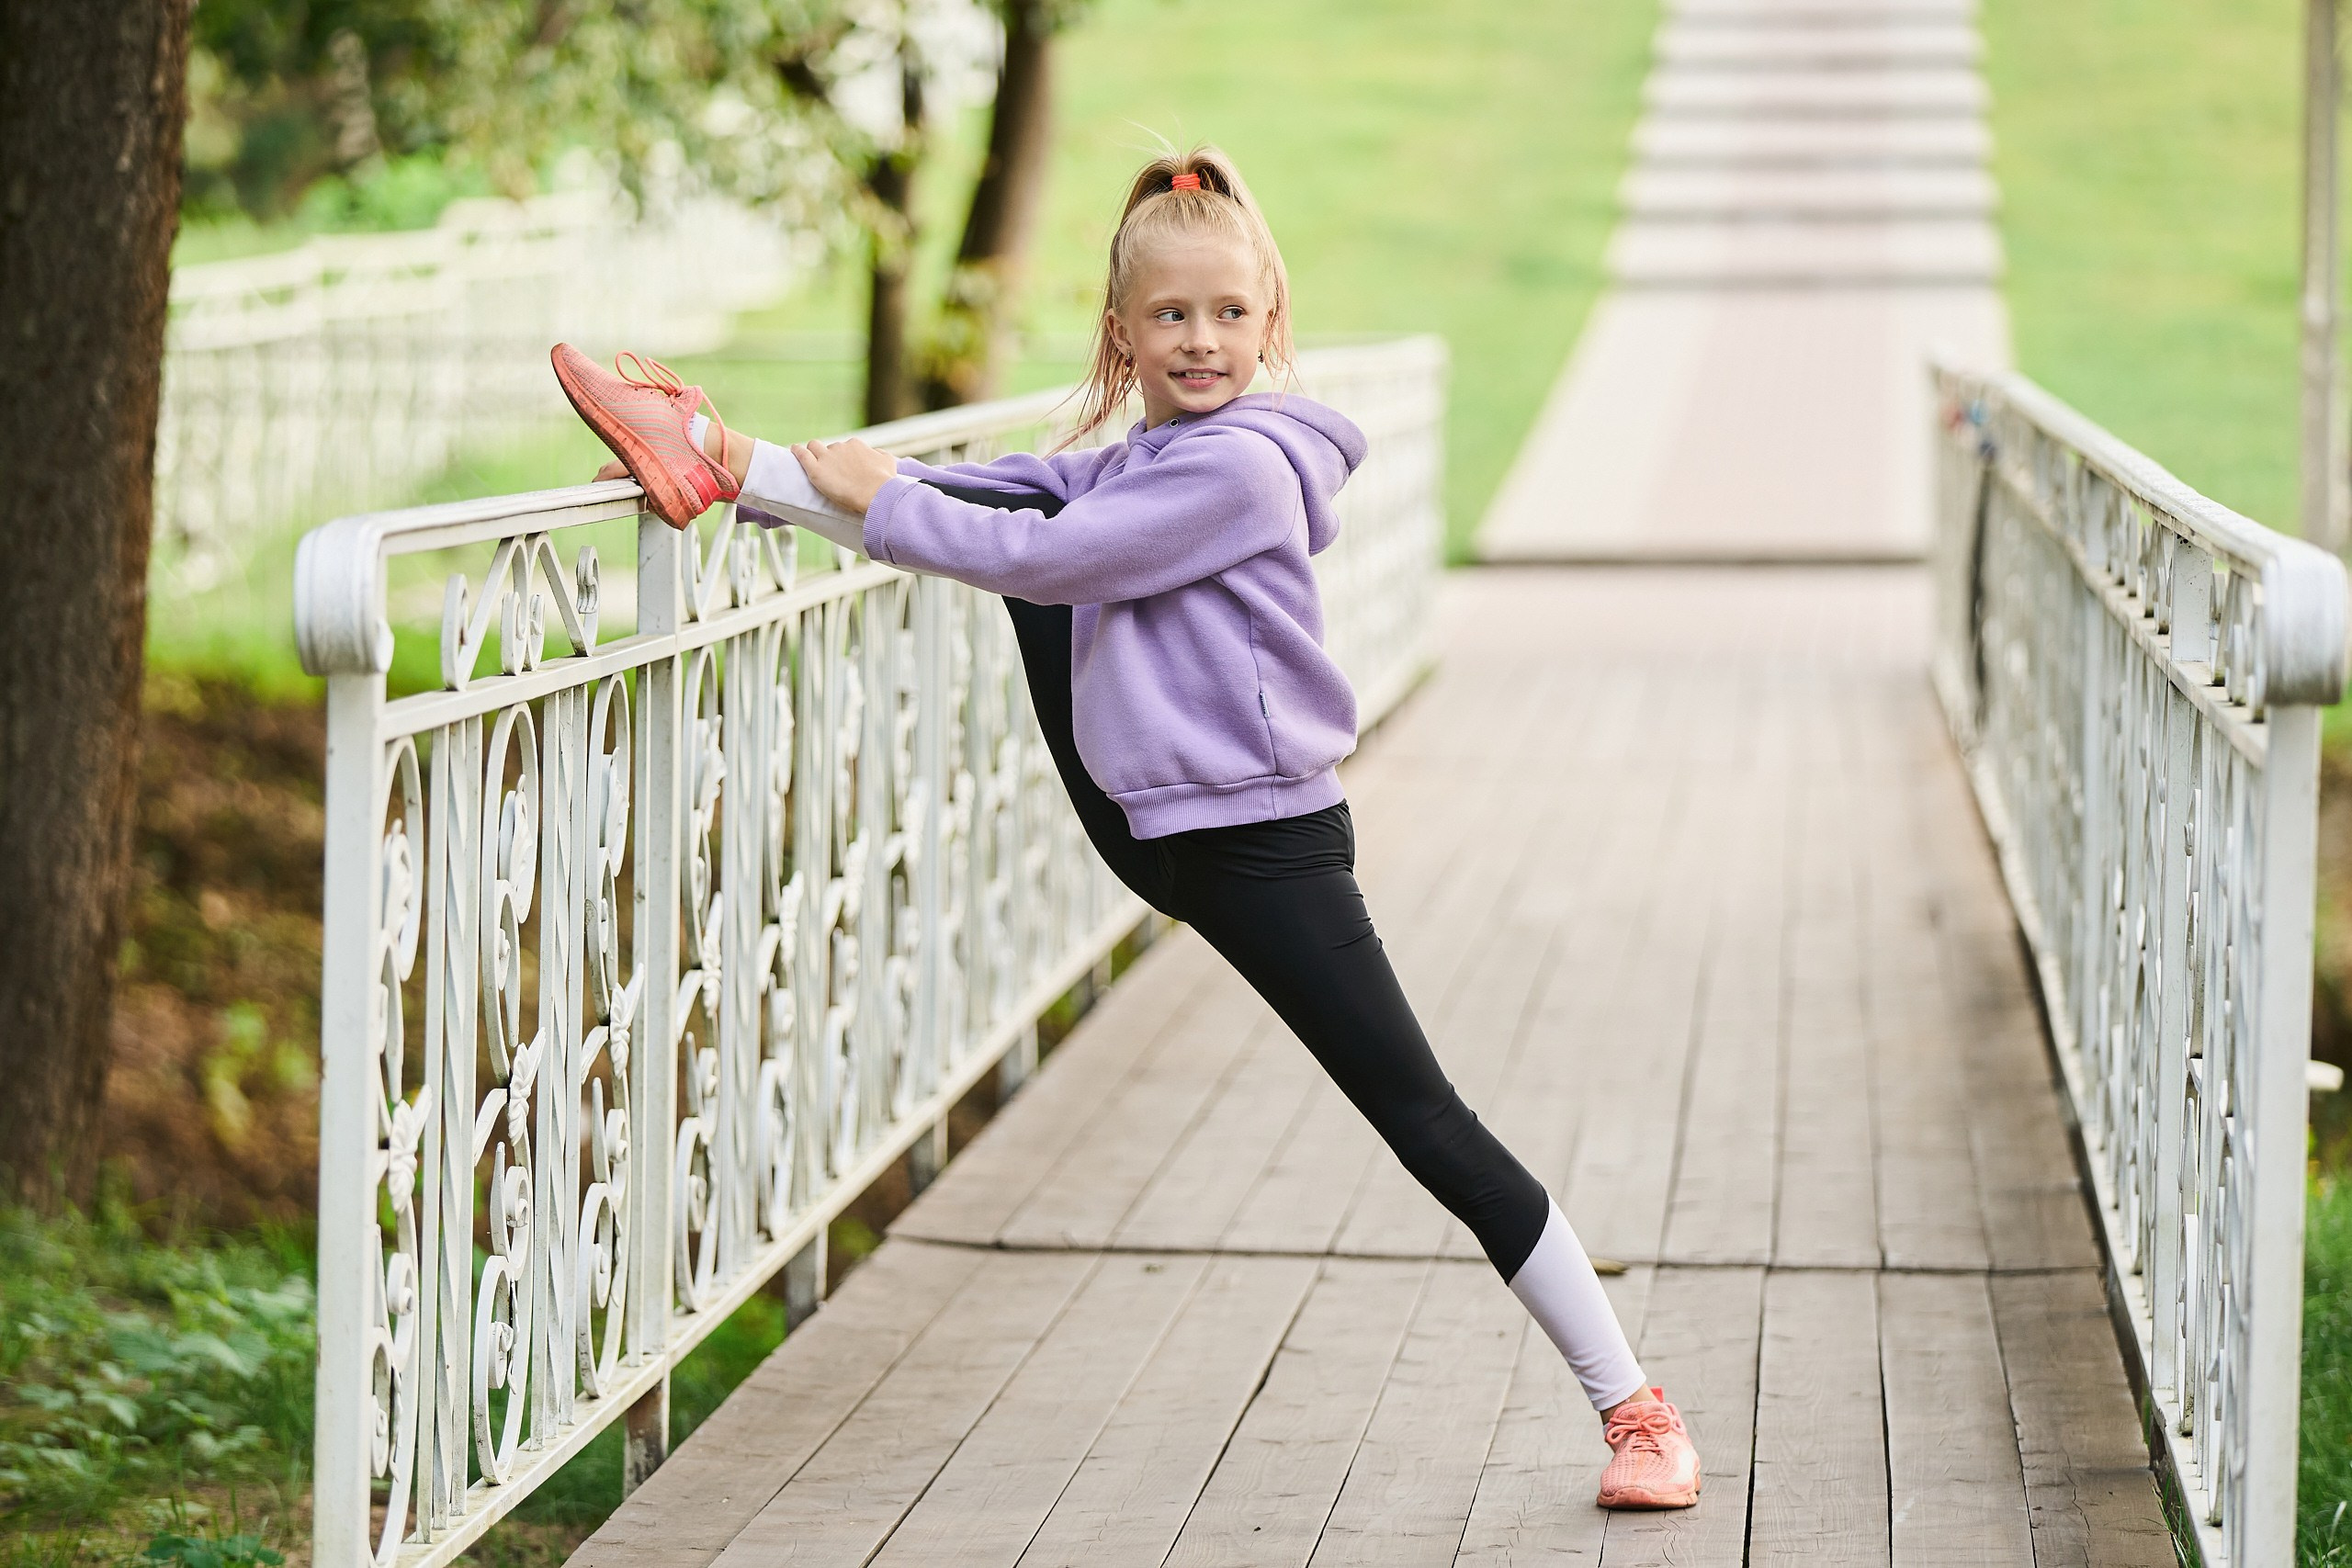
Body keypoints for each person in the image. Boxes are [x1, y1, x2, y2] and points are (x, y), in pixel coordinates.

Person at [548, 144, 1702, 1512]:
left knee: (1424, 1118)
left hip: (1260, 841)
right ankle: (721, 461)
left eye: (1227, 315)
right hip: (1152, 816)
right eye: (1169, 318)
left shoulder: (1246, 475)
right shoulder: (1158, 450)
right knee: (1028, 493)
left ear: (1271, 321)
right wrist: (868, 485)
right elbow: (1050, 512)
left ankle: (1639, 1412)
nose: (1200, 341)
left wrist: (879, 492)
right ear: (1123, 332)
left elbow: (1052, 563)